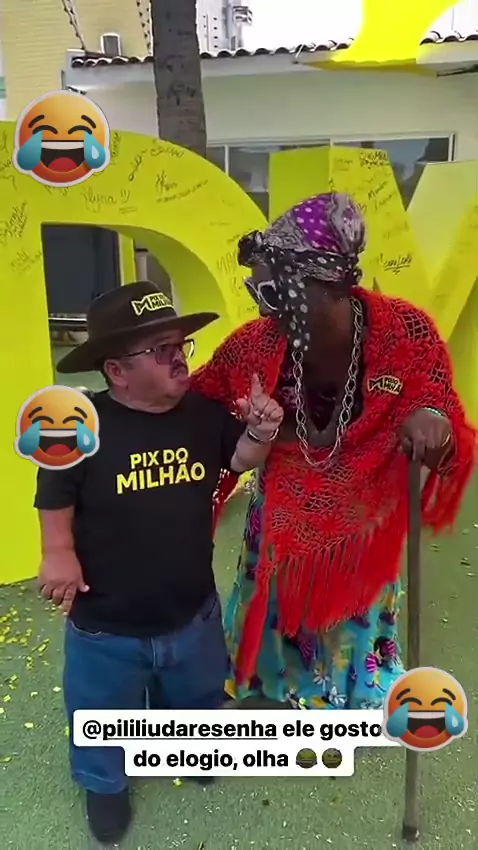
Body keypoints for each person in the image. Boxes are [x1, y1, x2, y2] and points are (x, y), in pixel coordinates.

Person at [191, 192, 477, 711]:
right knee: (267, 625)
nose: (262, 306)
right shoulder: (254, 344)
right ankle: (266, 692)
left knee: (350, 642)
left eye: (272, 290)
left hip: (363, 522)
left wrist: (431, 421)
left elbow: (438, 408)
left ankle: (347, 701)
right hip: (278, 518)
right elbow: (196, 403)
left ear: (323, 284)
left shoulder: (405, 333)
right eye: (256, 291)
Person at [34, 280, 283, 844]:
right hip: (106, 625)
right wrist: (58, 552)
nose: (179, 357)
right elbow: (55, 491)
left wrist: (260, 430)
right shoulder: (83, 425)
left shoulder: (202, 414)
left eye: (180, 345)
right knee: (102, 712)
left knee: (196, 696)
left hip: (191, 612)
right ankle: (105, 782)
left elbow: (240, 457)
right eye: (160, 348)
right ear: (116, 371)